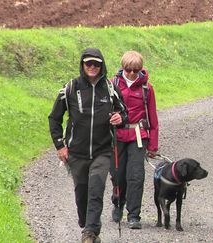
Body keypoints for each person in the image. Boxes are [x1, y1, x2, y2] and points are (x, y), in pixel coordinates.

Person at [48, 48, 127, 243]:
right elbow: (54, 118)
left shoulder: (110, 88)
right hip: (76, 153)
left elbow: (123, 113)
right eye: (88, 63)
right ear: (82, 65)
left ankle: (90, 233)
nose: (92, 67)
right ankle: (86, 224)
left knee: (96, 190)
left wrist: (120, 118)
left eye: (96, 64)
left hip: (102, 151)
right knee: (81, 193)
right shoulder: (70, 88)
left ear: (102, 66)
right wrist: (60, 146)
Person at [109, 50, 159, 229]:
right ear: (123, 68)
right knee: (117, 174)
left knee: (136, 175)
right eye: (128, 69)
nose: (131, 74)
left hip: (138, 136)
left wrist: (153, 145)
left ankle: (134, 215)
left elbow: (153, 118)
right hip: (117, 136)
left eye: (135, 70)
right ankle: (118, 202)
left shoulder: (147, 89)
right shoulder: (112, 84)